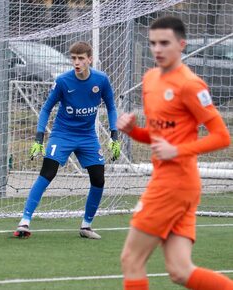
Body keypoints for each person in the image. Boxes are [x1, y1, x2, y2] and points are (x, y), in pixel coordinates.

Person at [117, 16, 232, 290]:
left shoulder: (191, 85)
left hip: (173, 184)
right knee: (181, 271)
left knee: (131, 259)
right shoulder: (149, 79)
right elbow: (159, 138)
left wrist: (177, 150)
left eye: (165, 43)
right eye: (153, 43)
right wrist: (133, 131)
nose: (157, 49)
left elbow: (222, 136)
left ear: (182, 45)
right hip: (178, 184)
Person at [13, 41, 121, 239]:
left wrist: (114, 136)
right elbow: (46, 108)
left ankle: (86, 226)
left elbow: (112, 107)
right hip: (62, 134)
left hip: (88, 136)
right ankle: (25, 221)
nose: (76, 62)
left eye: (81, 58)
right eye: (73, 58)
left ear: (90, 59)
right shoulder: (63, 81)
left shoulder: (101, 80)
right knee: (47, 172)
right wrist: (39, 138)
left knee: (98, 178)